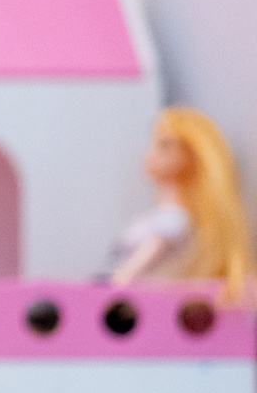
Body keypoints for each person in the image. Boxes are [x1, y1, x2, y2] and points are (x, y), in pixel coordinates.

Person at [100, 107, 254, 300]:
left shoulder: (172, 220)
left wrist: (121, 279)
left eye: (163, 145)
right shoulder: (166, 218)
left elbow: (128, 274)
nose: (148, 154)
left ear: (189, 156)